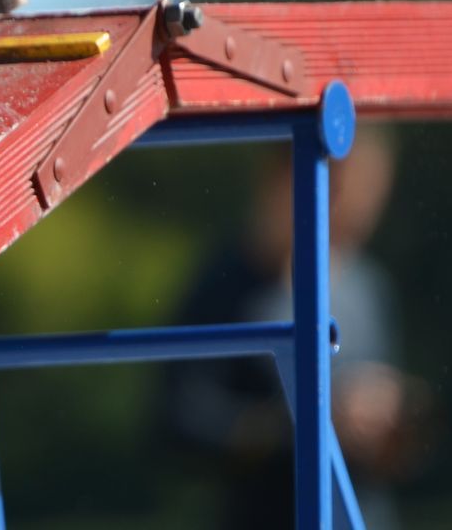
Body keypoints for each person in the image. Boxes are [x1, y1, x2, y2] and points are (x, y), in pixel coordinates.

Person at [161, 131, 433, 526]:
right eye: (344, 187)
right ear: (284, 176)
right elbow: (178, 423)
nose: (359, 209)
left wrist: (394, 422)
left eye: (373, 194)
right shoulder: (222, 284)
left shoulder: (369, 287)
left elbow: (397, 452)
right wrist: (310, 421)